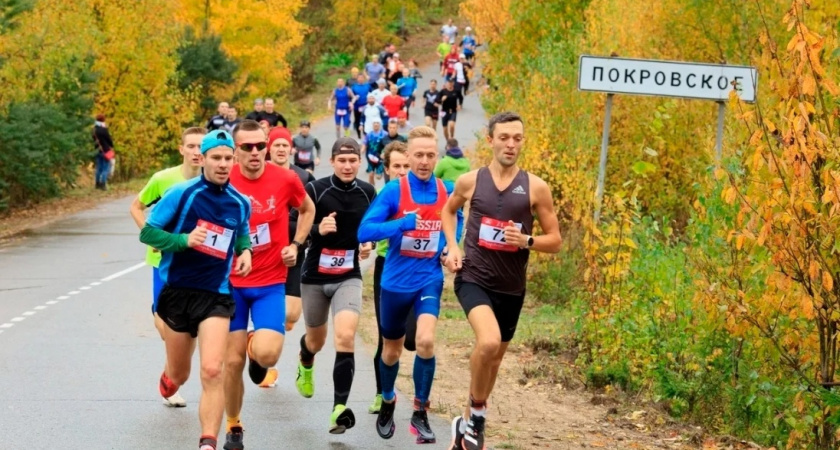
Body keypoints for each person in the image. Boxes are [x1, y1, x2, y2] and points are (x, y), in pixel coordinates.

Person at [441, 112, 562, 450]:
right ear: (491, 140)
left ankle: (464, 428)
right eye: (504, 137)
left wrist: (528, 242)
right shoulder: (470, 181)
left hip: (511, 288)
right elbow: (448, 211)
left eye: (517, 138)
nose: (511, 144)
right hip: (473, 278)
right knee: (489, 342)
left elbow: (556, 239)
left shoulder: (536, 187)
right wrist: (452, 247)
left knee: (492, 362)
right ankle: (478, 414)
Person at [139, 130, 253, 450]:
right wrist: (183, 241)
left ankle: (207, 442)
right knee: (181, 374)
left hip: (215, 295)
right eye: (216, 157)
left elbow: (241, 235)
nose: (222, 164)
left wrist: (245, 253)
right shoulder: (181, 194)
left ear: (235, 160)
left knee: (213, 369)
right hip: (177, 292)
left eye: (228, 158)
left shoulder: (240, 202)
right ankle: (169, 378)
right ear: (202, 159)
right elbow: (148, 233)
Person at [357, 126, 462, 444]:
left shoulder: (447, 191)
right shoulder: (394, 192)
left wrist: (449, 247)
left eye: (431, 155)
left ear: (437, 157)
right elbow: (364, 231)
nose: (425, 160)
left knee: (427, 341)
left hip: (428, 278)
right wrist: (401, 224)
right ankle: (388, 398)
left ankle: (420, 412)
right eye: (419, 155)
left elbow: (453, 223)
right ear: (409, 156)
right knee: (391, 350)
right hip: (394, 283)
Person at [222, 120, 315, 450]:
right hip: (228, 284)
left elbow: (307, 209)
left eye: (259, 145)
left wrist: (296, 244)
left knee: (268, 355)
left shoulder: (285, 178)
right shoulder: (222, 179)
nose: (255, 152)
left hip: (270, 280)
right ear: (235, 152)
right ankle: (233, 426)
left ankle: (253, 341)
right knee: (231, 364)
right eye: (246, 147)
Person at [294, 137, 377, 433]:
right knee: (315, 342)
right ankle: (305, 359)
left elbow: (373, 227)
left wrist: (368, 242)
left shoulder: (368, 192)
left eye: (353, 160)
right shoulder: (315, 189)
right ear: (331, 161)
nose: (347, 165)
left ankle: (338, 410)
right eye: (342, 160)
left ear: (360, 161)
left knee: (345, 336)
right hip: (314, 277)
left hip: (348, 276)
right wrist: (318, 229)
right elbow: (293, 224)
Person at [129, 127, 206, 407]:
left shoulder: (216, 181)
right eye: (192, 146)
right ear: (181, 149)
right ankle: (173, 371)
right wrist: (153, 238)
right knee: (168, 327)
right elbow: (136, 207)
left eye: (201, 146)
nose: (197, 152)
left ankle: (172, 381)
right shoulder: (163, 180)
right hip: (164, 263)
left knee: (190, 328)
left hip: (199, 265)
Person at [367, 141, 414, 416]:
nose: (402, 171)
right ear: (386, 168)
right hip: (387, 267)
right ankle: (381, 393)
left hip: (418, 268)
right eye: (396, 166)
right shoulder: (385, 194)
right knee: (387, 338)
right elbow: (369, 229)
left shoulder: (424, 195)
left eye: (406, 166)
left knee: (412, 341)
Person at [267, 127, 316, 335]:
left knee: (291, 315)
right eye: (276, 145)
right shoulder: (260, 174)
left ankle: (266, 334)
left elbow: (315, 213)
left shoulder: (304, 177)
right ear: (269, 148)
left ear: (291, 149)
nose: (280, 149)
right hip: (266, 251)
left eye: (284, 145)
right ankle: (263, 346)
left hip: (295, 250)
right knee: (268, 311)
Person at [92, 114, 115, 190]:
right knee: (106, 168)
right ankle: (103, 184)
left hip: (97, 150)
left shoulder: (94, 130)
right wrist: (111, 145)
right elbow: (109, 139)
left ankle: (97, 183)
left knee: (99, 168)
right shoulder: (104, 130)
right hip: (105, 150)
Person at [362, 119, 387, 185]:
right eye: (374, 123)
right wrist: (362, 150)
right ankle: (372, 188)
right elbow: (364, 143)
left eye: (377, 123)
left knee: (378, 177)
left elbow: (388, 144)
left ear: (380, 124)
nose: (376, 124)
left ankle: (379, 173)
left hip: (380, 157)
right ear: (372, 125)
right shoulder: (369, 135)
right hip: (370, 157)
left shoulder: (384, 134)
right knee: (371, 174)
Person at [351, 74, 372, 139]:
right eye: (359, 78)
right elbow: (351, 96)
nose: (360, 79)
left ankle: (365, 136)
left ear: (364, 79)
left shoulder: (367, 85)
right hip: (357, 107)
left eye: (362, 78)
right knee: (357, 121)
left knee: (366, 121)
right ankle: (359, 137)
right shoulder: (354, 86)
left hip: (366, 107)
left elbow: (372, 94)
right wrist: (354, 98)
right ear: (357, 79)